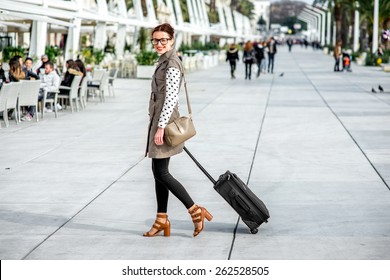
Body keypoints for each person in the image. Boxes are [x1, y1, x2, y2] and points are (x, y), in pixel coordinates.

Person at [144, 23, 212, 237]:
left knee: (161, 173)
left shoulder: (172, 63)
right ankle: (161, 219)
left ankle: (195, 210)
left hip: (165, 122)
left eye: (163, 39)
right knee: (158, 173)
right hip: (158, 120)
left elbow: (172, 98)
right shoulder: (164, 60)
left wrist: (161, 127)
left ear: (172, 40)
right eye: (155, 40)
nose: (159, 44)